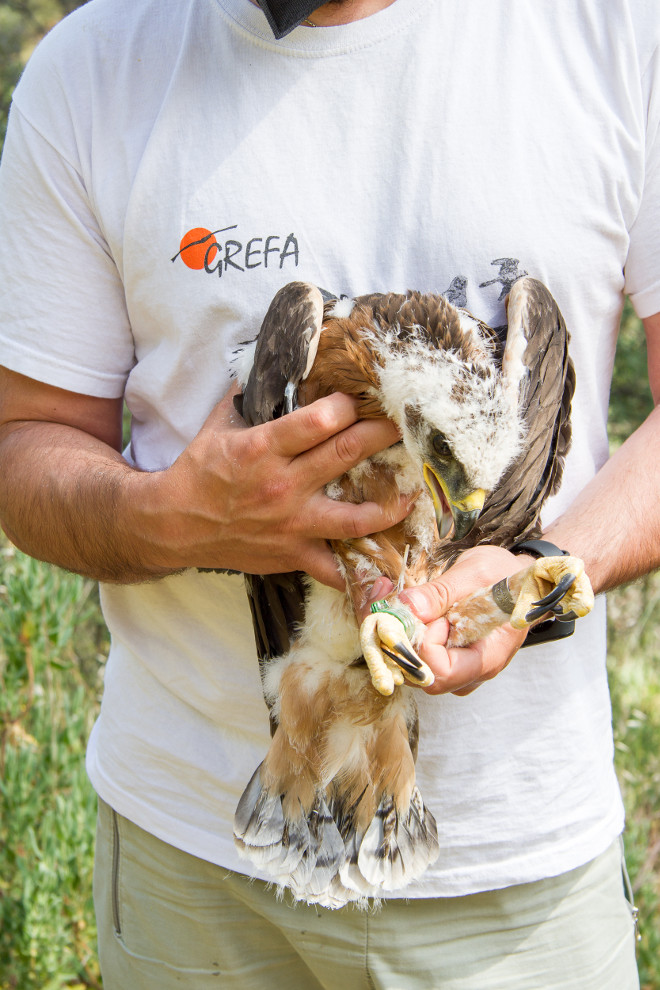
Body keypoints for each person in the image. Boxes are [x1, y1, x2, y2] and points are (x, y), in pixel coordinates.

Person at [0, 0, 658, 985]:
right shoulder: (93, 65)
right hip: (196, 862)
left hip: (513, 882)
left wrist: (540, 575)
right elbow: (23, 438)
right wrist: (170, 517)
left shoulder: (614, 29)